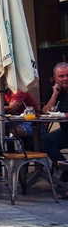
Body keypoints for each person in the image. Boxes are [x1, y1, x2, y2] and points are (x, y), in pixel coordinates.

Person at [42, 62, 68, 198]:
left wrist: (64, 115)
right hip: (65, 131)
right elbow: (46, 112)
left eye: (67, 75)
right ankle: (65, 170)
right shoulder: (54, 91)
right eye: (61, 76)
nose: (65, 79)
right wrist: (54, 95)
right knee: (46, 140)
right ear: (55, 78)